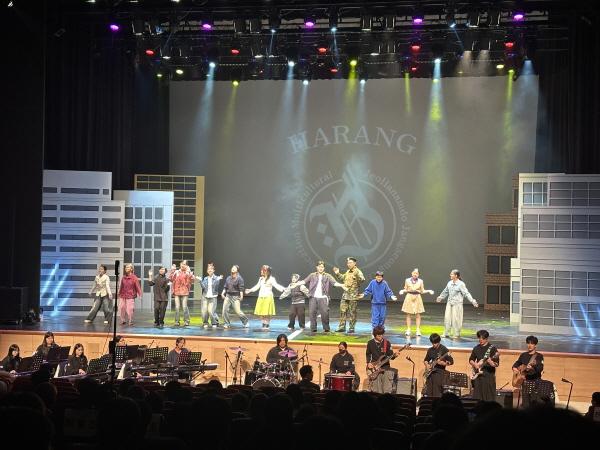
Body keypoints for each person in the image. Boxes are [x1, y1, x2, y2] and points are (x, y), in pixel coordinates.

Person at [292, 261, 346, 333]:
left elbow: (334, 283)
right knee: (312, 313)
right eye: (319, 267)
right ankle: (313, 328)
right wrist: (296, 284)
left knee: (325, 313)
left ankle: (326, 328)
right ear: (317, 267)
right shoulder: (312, 275)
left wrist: (342, 285)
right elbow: (304, 281)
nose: (321, 268)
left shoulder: (328, 276)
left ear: (324, 268)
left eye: (322, 267)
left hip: (323, 297)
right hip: (313, 297)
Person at [436, 269, 478, 338]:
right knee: (447, 318)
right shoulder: (449, 283)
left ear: (456, 275)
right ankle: (446, 333)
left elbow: (466, 293)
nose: (450, 275)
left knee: (456, 319)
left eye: (452, 274)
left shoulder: (461, 284)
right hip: (450, 303)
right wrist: (440, 297)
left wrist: (473, 301)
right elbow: (445, 291)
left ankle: (456, 334)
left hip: (457, 304)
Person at [246, 265, 286, 330]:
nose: (261, 271)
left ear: (267, 271)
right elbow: (257, 286)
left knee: (267, 312)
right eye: (261, 270)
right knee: (259, 312)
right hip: (261, 296)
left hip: (268, 296)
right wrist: (250, 290)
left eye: (263, 270)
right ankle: (263, 323)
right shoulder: (261, 279)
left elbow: (276, 285)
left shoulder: (272, 279)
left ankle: (267, 324)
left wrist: (283, 288)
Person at [333, 257, 365, 333]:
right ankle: (342, 327)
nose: (349, 264)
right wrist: (337, 273)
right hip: (345, 295)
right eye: (348, 263)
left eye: (350, 263)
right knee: (342, 311)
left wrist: (356, 276)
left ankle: (351, 328)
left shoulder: (357, 271)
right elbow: (343, 278)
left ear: (354, 263)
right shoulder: (348, 272)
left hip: (353, 296)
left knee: (352, 312)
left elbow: (362, 279)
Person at [512, 335, 545, 407]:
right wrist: (514, 367)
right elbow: (517, 363)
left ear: (535, 345)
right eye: (528, 343)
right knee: (525, 403)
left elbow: (540, 369)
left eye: (532, 343)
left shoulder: (539, 356)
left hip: (535, 382)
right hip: (524, 381)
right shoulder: (523, 355)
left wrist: (533, 367)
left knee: (534, 403)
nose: (529, 345)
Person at [400, 268, 434, 336]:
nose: (415, 274)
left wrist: (429, 291)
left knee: (418, 314)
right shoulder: (407, 280)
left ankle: (418, 330)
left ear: (418, 275)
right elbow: (406, 289)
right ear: (412, 273)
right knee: (408, 314)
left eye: (417, 273)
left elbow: (422, 291)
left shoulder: (420, 281)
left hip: (417, 297)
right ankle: (408, 329)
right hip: (409, 297)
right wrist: (402, 291)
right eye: (414, 273)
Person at [469, 330, 499, 402]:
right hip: (478, 376)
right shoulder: (476, 348)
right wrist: (475, 364)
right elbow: (471, 360)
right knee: (477, 399)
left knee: (489, 399)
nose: (481, 340)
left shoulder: (492, 349)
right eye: (479, 338)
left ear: (487, 338)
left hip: (488, 377)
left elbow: (496, 364)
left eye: (483, 338)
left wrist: (491, 362)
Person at [366, 326, 398, 394]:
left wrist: (395, 355)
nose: (381, 337)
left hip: (386, 369)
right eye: (379, 335)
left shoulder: (387, 343)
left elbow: (391, 356)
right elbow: (368, 354)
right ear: (375, 335)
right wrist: (368, 363)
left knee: (387, 390)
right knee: (376, 390)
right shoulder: (370, 343)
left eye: (382, 335)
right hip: (375, 368)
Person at [168, 260, 195, 326]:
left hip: (184, 292)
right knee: (177, 308)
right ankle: (177, 321)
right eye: (182, 264)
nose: (183, 265)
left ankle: (186, 321)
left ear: (187, 266)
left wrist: (189, 272)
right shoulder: (176, 272)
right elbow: (170, 279)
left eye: (184, 264)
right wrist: (172, 270)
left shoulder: (188, 273)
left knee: (184, 307)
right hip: (177, 292)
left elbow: (192, 280)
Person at [198, 263, 222, 329]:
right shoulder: (206, 278)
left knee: (211, 311)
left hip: (213, 296)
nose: (210, 270)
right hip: (205, 296)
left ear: (213, 270)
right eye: (208, 269)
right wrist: (200, 281)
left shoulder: (216, 278)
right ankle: (205, 322)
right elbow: (203, 287)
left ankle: (214, 322)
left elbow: (216, 287)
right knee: (204, 311)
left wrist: (217, 281)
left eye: (211, 269)